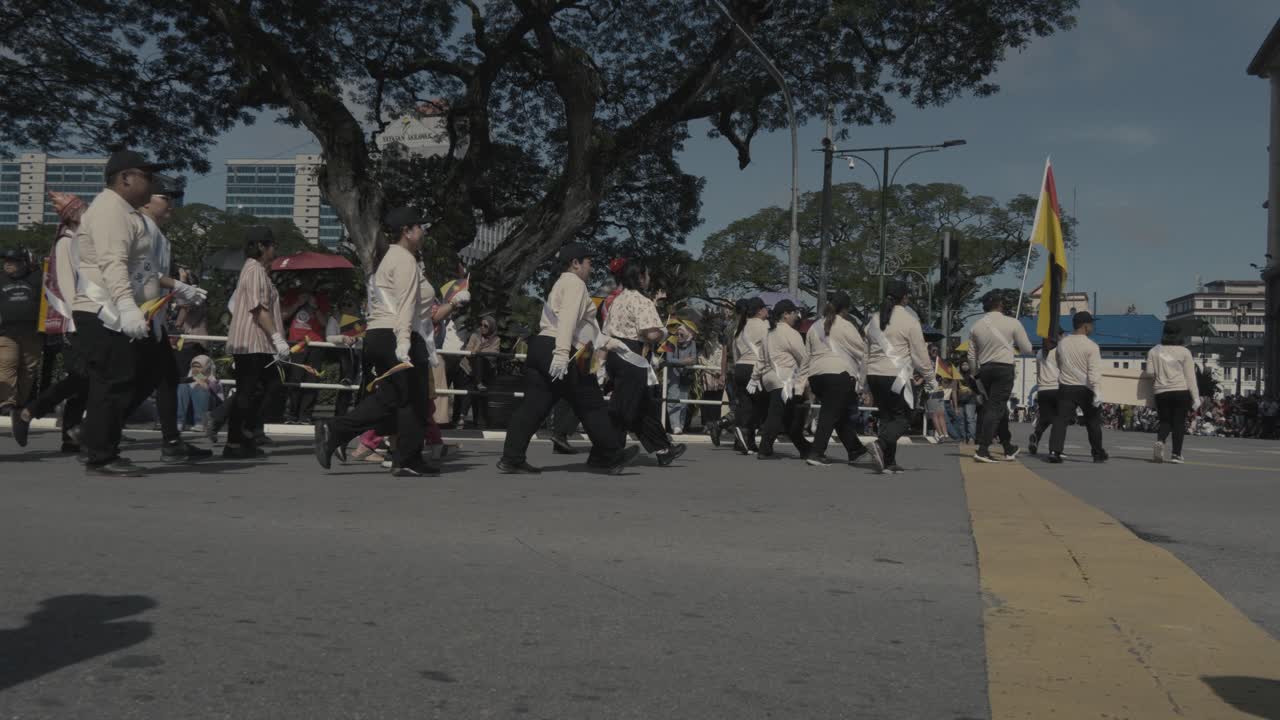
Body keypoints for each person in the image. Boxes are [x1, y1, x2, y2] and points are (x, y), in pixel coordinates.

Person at [70, 150, 173, 476]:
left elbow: (140, 266)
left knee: (147, 372)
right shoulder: (109, 210)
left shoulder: (127, 213)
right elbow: (112, 264)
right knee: (114, 380)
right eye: (147, 176)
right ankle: (100, 454)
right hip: (105, 309)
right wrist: (127, 307)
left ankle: (92, 436)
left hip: (127, 310)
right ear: (125, 178)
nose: (152, 183)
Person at [314, 207, 438, 477]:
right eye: (419, 227)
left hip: (379, 335)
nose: (423, 231)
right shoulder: (404, 260)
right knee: (413, 402)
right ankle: (407, 459)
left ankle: (336, 430)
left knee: (390, 398)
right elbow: (405, 305)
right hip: (398, 335)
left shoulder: (390, 258)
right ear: (407, 231)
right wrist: (404, 342)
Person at [497, 243, 639, 474]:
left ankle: (511, 457)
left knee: (533, 406)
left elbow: (580, 325)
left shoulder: (560, 284)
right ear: (575, 263)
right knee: (591, 403)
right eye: (589, 262)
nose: (591, 268)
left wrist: (606, 342)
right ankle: (610, 455)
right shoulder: (575, 283)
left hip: (541, 346)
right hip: (560, 347)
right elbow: (568, 321)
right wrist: (562, 354)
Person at [123, 187, 212, 462]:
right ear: (147, 201)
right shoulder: (142, 230)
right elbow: (143, 272)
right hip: (139, 318)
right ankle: (99, 431)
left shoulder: (159, 235)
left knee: (165, 379)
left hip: (155, 319)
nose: (170, 203)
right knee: (133, 381)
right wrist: (180, 285)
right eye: (164, 197)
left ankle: (170, 442)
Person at [12, 193, 88, 452]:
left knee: (82, 380)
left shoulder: (81, 241)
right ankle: (30, 412)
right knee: (81, 378)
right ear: (74, 215)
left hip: (84, 317)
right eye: (83, 209)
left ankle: (71, 434)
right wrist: (78, 317)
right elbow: (66, 286)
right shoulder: (67, 243)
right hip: (74, 321)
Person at [600, 261, 685, 466]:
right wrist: (666, 332)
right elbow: (651, 333)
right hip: (632, 354)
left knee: (643, 405)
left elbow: (605, 332)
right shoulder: (642, 301)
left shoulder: (617, 300)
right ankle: (609, 453)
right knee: (625, 406)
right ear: (639, 277)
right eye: (647, 275)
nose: (649, 279)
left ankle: (663, 448)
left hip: (614, 352)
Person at [224, 225, 289, 459]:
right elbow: (259, 309)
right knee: (248, 392)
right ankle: (234, 441)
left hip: (260, 343)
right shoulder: (253, 270)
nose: (275, 249)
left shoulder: (261, 271)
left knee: (266, 389)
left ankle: (246, 434)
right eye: (272, 245)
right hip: (250, 341)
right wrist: (277, 338)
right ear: (261, 246)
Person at [864, 280, 932, 474]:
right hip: (896, 376)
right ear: (904, 298)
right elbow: (920, 354)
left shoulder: (874, 319)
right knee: (905, 417)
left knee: (887, 418)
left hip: (874, 374)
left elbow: (865, 353)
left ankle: (888, 461)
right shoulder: (910, 320)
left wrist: (863, 383)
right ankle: (880, 444)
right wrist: (930, 378)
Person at [803, 291, 873, 468]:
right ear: (846, 309)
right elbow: (862, 353)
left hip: (816, 376)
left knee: (840, 415)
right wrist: (862, 382)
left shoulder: (814, 326)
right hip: (838, 375)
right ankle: (817, 452)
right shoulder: (846, 325)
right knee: (830, 414)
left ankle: (856, 451)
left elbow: (807, 354)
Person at [968, 291, 1034, 463]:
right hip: (1004, 369)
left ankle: (1008, 447)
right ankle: (983, 449)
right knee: (995, 408)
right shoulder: (1012, 323)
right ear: (1000, 305)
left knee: (999, 408)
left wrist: (976, 374)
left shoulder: (976, 326)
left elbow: (971, 357)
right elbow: (1027, 349)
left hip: (985, 369)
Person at [750, 299, 811, 460]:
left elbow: (761, 360)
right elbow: (804, 358)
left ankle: (805, 448)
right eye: (793, 313)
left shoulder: (769, 334)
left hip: (769, 378)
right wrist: (802, 383)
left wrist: (754, 378)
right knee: (776, 415)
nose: (796, 316)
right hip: (785, 379)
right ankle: (765, 449)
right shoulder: (791, 333)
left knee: (789, 416)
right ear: (785, 314)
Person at [1047, 311, 1107, 464]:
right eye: (1091, 324)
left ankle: (1055, 451)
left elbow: (1060, 364)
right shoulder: (1091, 346)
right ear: (1085, 326)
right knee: (1092, 420)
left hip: (1066, 386)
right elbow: (1094, 372)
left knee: (1060, 420)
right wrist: (1098, 392)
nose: (1092, 326)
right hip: (1085, 388)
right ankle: (1097, 452)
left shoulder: (1062, 344)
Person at [0, 248, 44, 430]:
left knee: (28, 370)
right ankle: (6, 404)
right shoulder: (0, 278)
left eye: (13, 261)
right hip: (5, 332)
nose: (8, 264)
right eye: (6, 261)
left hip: (32, 332)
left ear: (24, 263)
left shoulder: (37, 278)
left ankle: (20, 405)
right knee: (6, 364)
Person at [1148, 323, 1200, 464]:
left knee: (1165, 421)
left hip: (1161, 391)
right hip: (1180, 391)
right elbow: (1190, 377)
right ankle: (1176, 454)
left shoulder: (1153, 351)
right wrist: (1196, 398)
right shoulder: (1184, 352)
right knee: (1178, 423)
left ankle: (1160, 441)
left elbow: (1150, 373)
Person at [731, 297, 769, 454]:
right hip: (754, 368)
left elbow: (735, 352)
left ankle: (743, 441)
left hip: (740, 367)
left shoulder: (740, 328)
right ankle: (747, 437)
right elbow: (769, 348)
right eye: (765, 308)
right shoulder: (763, 325)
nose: (767, 311)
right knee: (759, 407)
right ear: (759, 310)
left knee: (745, 405)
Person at [456, 314, 500, 428]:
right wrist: (480, 348)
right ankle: (461, 417)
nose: (482, 327)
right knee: (469, 390)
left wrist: (478, 352)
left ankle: (474, 420)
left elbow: (492, 355)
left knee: (480, 357)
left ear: (491, 328)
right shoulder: (474, 336)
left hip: (484, 370)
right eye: (481, 325)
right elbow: (468, 351)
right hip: (469, 369)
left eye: (486, 326)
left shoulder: (496, 339)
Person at [1027, 332, 1061, 456]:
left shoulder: (1039, 353)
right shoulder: (1058, 352)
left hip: (1042, 390)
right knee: (1058, 420)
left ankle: (1036, 435)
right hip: (1056, 388)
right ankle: (1054, 448)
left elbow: (1038, 372)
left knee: (1045, 418)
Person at [664, 321, 698, 434]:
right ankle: (675, 426)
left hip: (685, 375)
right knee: (673, 400)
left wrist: (683, 362)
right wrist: (683, 361)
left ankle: (681, 426)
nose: (679, 336)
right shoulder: (669, 343)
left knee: (684, 402)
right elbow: (669, 360)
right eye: (678, 334)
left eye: (682, 334)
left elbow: (693, 359)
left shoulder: (692, 343)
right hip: (673, 376)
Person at [177, 354, 223, 431]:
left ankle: (200, 423)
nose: (195, 369)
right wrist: (192, 379)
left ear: (206, 367)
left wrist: (201, 378)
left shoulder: (214, 381)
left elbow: (217, 398)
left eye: (199, 366)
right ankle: (179, 422)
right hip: (189, 411)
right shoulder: (188, 379)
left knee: (200, 388)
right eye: (194, 366)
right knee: (182, 387)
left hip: (208, 410)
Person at [697, 327, 726, 446]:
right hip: (708, 373)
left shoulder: (722, 345)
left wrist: (720, 372)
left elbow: (723, 358)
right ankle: (707, 424)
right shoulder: (705, 344)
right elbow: (701, 358)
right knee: (707, 399)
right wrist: (712, 369)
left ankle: (716, 424)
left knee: (717, 400)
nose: (713, 335)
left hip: (719, 373)